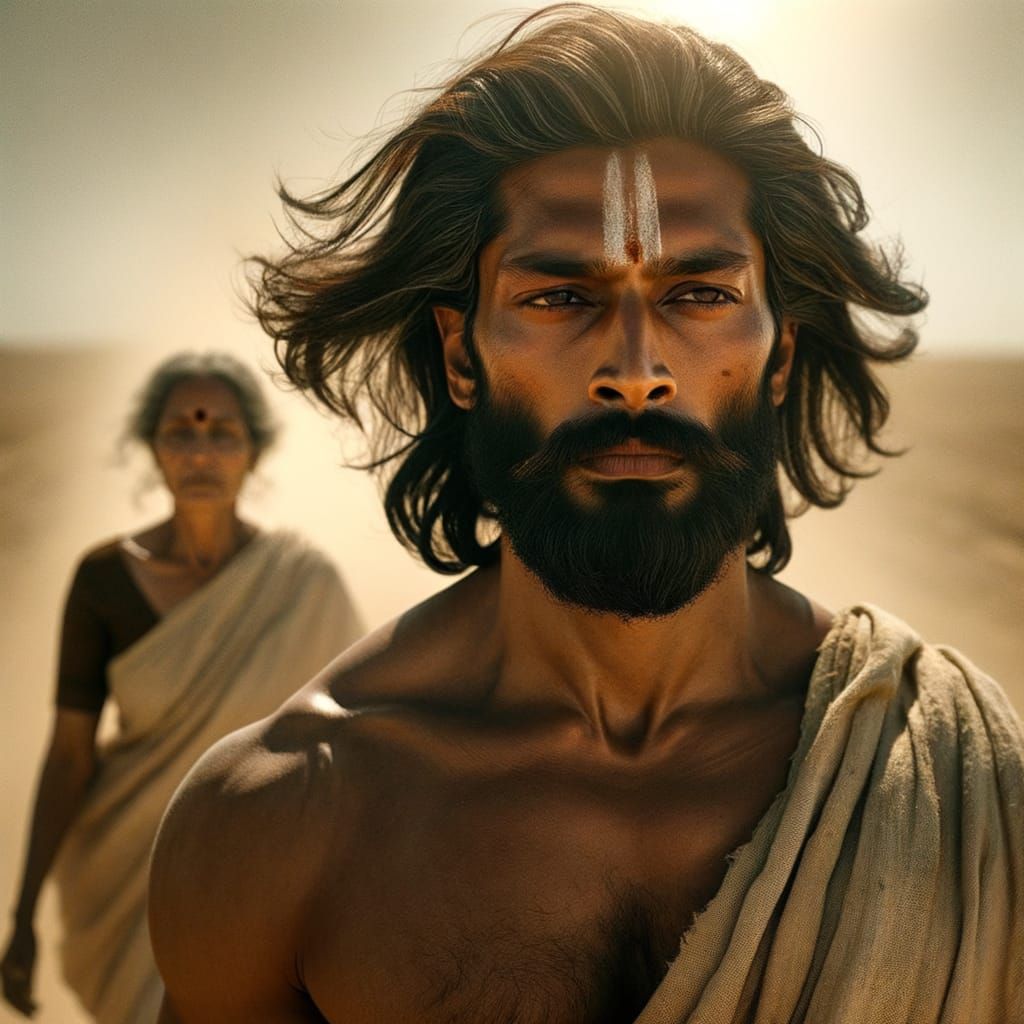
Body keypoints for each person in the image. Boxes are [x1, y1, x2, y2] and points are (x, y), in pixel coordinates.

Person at [149, 8, 1024, 1023]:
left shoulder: (963, 793)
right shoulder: (281, 821)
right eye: (562, 298)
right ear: (463, 356)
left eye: (698, 294)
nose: (636, 372)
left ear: (779, 355)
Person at [1, 352, 364, 1022]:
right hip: (125, 884)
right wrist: (21, 916)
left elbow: (356, 749)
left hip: (256, 889)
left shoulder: (302, 583)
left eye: (222, 433)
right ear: (154, 449)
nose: (202, 452)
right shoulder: (104, 581)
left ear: (253, 452)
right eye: (182, 432)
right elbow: (69, 754)